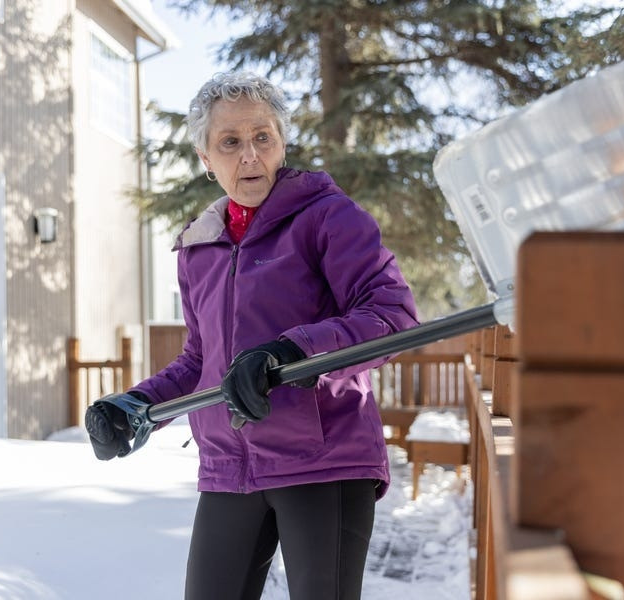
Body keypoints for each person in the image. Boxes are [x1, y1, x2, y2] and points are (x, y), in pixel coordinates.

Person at [85, 71, 418, 600]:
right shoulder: (200, 248)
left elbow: (392, 315)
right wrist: (136, 405)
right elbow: (200, 361)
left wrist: (292, 351)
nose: (249, 155)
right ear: (205, 157)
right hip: (229, 466)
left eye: (263, 137)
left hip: (324, 461)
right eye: (230, 142)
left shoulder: (327, 218)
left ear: (281, 143)